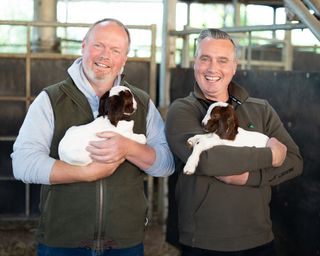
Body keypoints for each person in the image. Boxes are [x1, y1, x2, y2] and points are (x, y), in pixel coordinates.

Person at [11, 18, 174, 256]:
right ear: (84, 46)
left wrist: (128, 148)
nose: (105, 55)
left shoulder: (141, 103)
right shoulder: (51, 99)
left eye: (115, 50)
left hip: (124, 241)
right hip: (63, 240)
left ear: (124, 59)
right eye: (99, 45)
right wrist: (84, 173)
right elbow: (23, 164)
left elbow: (166, 165)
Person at [165, 28, 303, 256]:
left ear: (234, 66)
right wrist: (270, 156)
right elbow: (208, 160)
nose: (212, 68)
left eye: (222, 60)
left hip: (259, 239)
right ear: (195, 62)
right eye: (205, 58)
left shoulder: (261, 109)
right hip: (204, 243)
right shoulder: (182, 110)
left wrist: (251, 177)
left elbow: (294, 162)